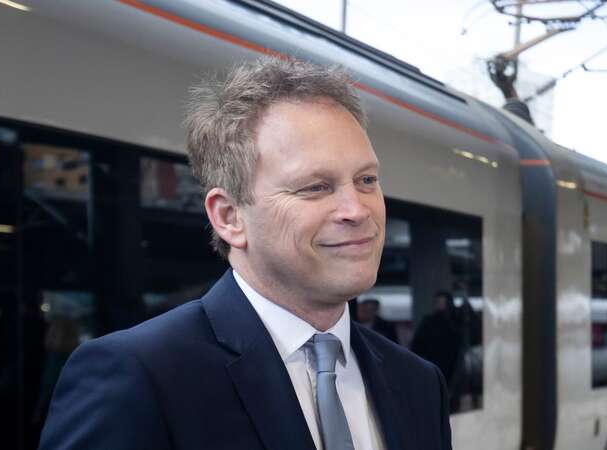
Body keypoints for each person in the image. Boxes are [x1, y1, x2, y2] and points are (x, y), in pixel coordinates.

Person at [39, 58, 452, 450]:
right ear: (230, 216)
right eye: (315, 187)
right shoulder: (137, 377)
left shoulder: (418, 383)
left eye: (366, 179)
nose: (358, 210)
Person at [410, 291, 461, 389]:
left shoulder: (456, 322)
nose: (440, 305)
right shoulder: (429, 322)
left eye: (443, 303)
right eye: (438, 302)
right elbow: (418, 344)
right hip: (433, 362)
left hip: (453, 364)